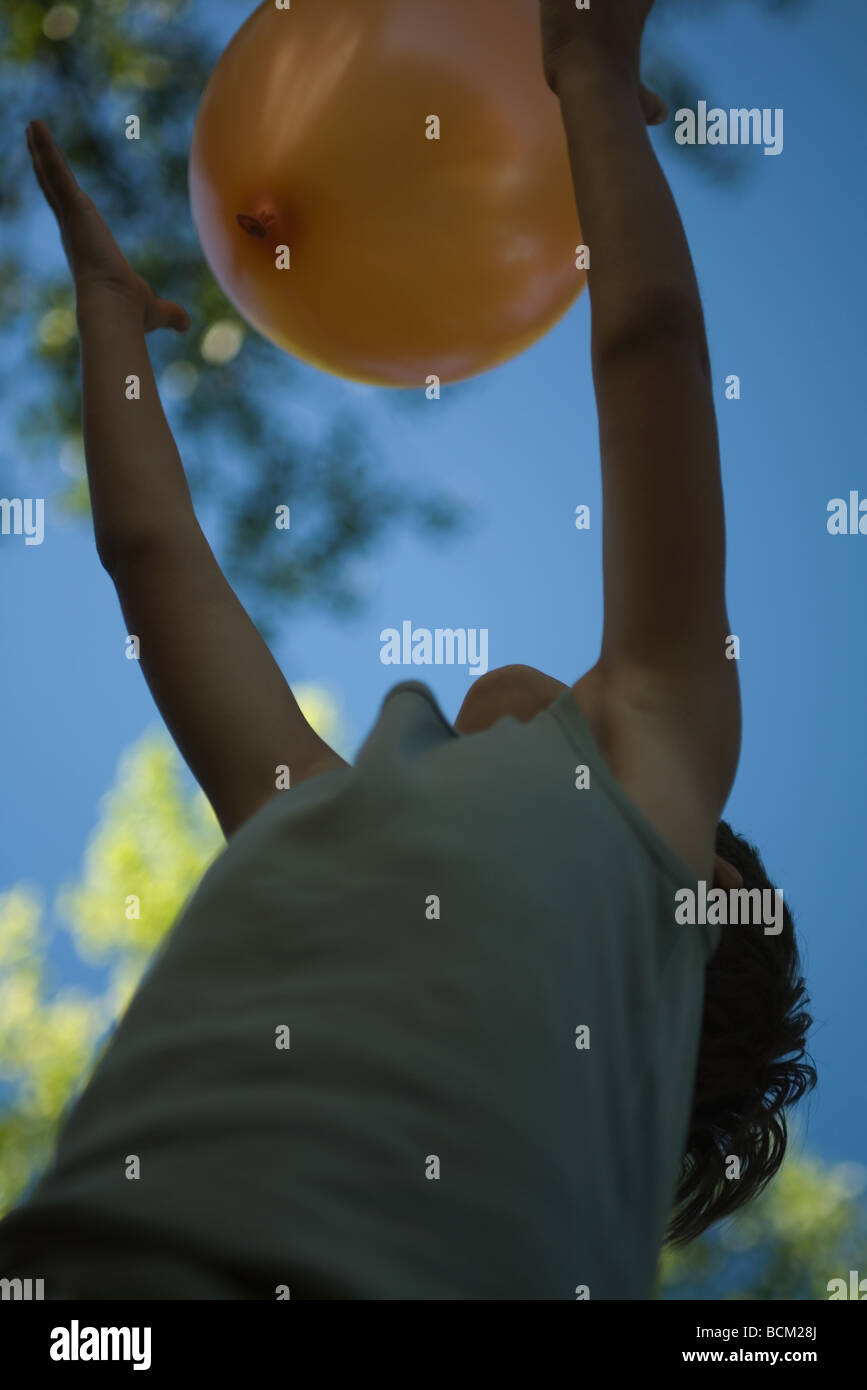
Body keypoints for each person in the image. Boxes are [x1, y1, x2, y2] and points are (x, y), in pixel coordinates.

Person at [0, 0, 813, 1299]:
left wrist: (589, 77)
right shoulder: (322, 813)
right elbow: (153, 566)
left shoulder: (655, 776)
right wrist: (108, 323)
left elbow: (647, 348)